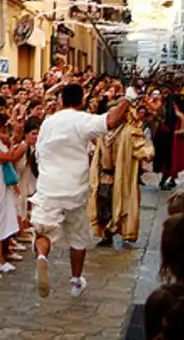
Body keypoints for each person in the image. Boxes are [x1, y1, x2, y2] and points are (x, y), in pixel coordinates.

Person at [31, 83, 129, 298]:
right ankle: (76, 280)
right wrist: (128, 100)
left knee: (43, 230)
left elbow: (38, 153)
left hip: (49, 186)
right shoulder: (81, 119)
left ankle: (41, 258)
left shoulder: (48, 123)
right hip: (75, 187)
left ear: (61, 100)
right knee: (77, 237)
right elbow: (110, 121)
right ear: (81, 100)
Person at [88, 99, 154, 245]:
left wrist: (147, 153)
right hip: (103, 174)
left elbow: (142, 145)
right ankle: (106, 233)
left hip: (120, 175)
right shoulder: (102, 132)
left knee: (119, 204)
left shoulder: (130, 132)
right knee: (102, 203)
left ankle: (116, 230)